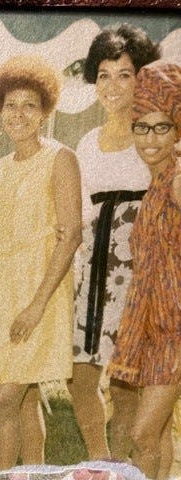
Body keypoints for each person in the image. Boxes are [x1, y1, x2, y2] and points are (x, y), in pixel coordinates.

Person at [0, 55, 82, 469]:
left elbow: (71, 236)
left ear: (45, 111)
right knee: (26, 396)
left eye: (29, 106)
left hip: (39, 293)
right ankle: (35, 476)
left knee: (3, 398)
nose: (19, 114)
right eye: (11, 106)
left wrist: (36, 306)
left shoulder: (60, 158)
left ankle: (2, 478)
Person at [68, 24, 161, 461]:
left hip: (139, 277)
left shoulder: (155, 135)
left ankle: (126, 469)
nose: (112, 85)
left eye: (124, 74)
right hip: (91, 276)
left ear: (141, 76)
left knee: (126, 388)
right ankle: (101, 462)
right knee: (78, 378)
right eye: (104, 74)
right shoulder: (86, 142)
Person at [108, 57, 181, 480]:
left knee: (141, 434)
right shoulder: (156, 183)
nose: (149, 138)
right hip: (149, 326)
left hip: (174, 330)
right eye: (142, 127)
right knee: (160, 433)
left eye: (162, 127)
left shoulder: (175, 178)